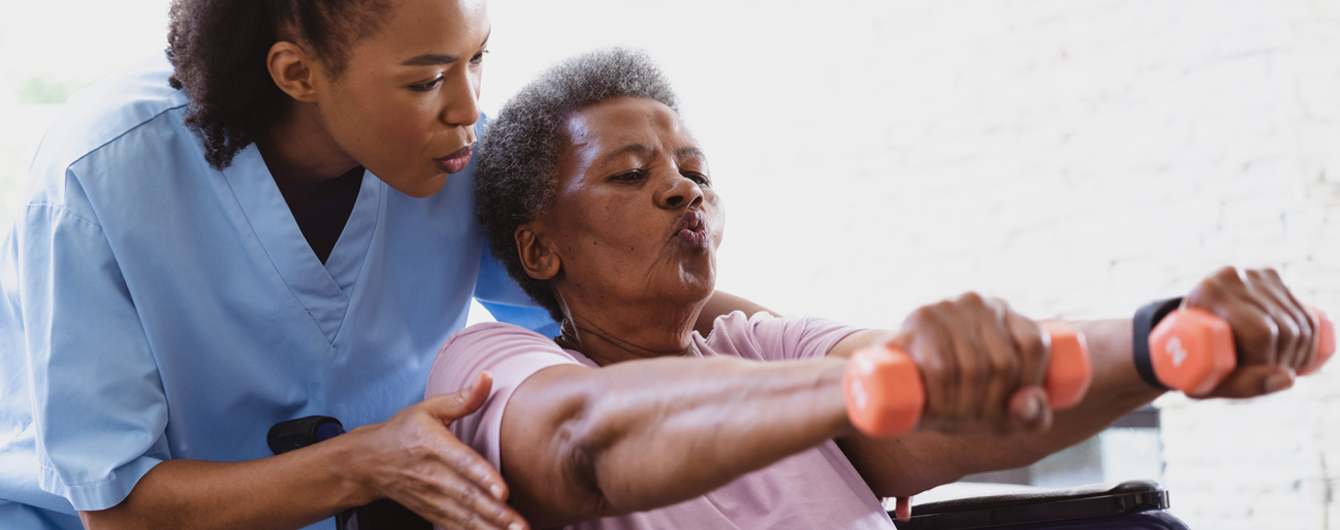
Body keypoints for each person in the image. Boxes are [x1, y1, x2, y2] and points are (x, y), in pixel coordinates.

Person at [427, 48, 1328, 530]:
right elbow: (583, 442)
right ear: (539, 250)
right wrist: (870, 386)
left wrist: (1158, 340)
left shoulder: (752, 344)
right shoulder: (494, 362)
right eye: (631, 175)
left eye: (694, 168)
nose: (682, 189)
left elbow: (943, 403)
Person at [0, 2, 776, 530]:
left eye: (479, 59)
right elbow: (117, 508)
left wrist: (830, 359)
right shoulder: (99, 177)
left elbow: (616, 286)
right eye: (428, 79)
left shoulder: (454, 153)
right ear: (297, 72)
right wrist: (367, 463)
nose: (470, 106)